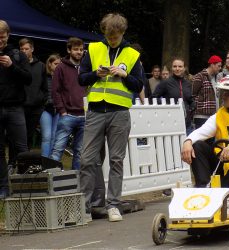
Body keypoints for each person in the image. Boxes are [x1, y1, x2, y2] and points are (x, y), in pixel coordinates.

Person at [79, 13, 144, 222]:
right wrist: (95, 74)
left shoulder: (133, 54)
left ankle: (113, 205)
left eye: (115, 36)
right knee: (87, 159)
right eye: (108, 35)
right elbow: (81, 78)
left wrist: (125, 75)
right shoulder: (94, 48)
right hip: (96, 110)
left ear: (122, 32)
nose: (111, 39)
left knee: (117, 160)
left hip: (120, 112)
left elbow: (139, 85)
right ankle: (84, 207)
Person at [0, 20, 32, 198]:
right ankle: (4, 188)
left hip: (15, 107)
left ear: (8, 36)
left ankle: (26, 186)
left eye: (2, 38)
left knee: (22, 148)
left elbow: (28, 79)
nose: (0, 41)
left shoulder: (18, 55)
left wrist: (12, 66)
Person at [50, 37, 86, 170]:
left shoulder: (87, 67)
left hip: (85, 116)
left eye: (81, 49)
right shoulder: (61, 67)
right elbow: (55, 91)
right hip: (68, 115)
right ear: (68, 50)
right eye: (76, 49)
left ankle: (77, 182)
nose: (79, 52)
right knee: (58, 149)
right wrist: (62, 111)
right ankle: (52, 178)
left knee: (80, 152)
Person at [152, 58, 194, 135]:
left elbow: (190, 100)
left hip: (187, 124)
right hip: (171, 123)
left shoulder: (188, 84)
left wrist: (192, 106)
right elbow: (153, 98)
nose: (177, 69)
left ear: (184, 68)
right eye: (175, 66)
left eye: (180, 66)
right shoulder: (165, 83)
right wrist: (165, 103)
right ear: (171, 68)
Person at [19, 38, 47, 149]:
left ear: (32, 49)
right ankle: (14, 161)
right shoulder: (16, 65)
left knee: (30, 136)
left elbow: (45, 87)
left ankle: (26, 162)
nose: (24, 51)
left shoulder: (41, 66)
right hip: (20, 106)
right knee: (18, 136)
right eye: (21, 49)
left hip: (35, 107)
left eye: (26, 48)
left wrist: (41, 101)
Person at [192, 55, 222, 129]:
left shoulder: (216, 78)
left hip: (213, 115)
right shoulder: (200, 76)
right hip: (201, 116)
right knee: (202, 139)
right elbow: (192, 95)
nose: (220, 68)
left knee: (211, 140)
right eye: (218, 66)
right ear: (212, 65)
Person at [40, 54, 60, 158]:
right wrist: (45, 102)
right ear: (49, 64)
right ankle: (44, 161)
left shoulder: (61, 78)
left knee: (54, 137)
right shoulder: (44, 76)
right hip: (46, 109)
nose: (58, 66)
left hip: (58, 110)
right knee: (47, 136)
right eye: (56, 64)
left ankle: (51, 162)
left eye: (59, 64)